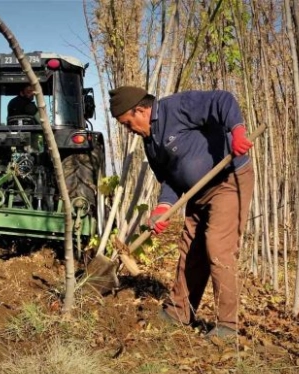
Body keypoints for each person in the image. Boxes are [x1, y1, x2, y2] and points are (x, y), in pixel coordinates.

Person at [108, 86, 254, 339]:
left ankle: (227, 326)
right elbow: (170, 180)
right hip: (196, 191)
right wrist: (163, 208)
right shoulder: (150, 144)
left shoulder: (176, 107)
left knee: (218, 246)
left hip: (228, 180)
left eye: (128, 123)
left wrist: (237, 130)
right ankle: (179, 311)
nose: (129, 131)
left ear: (140, 110)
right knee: (190, 249)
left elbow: (222, 100)